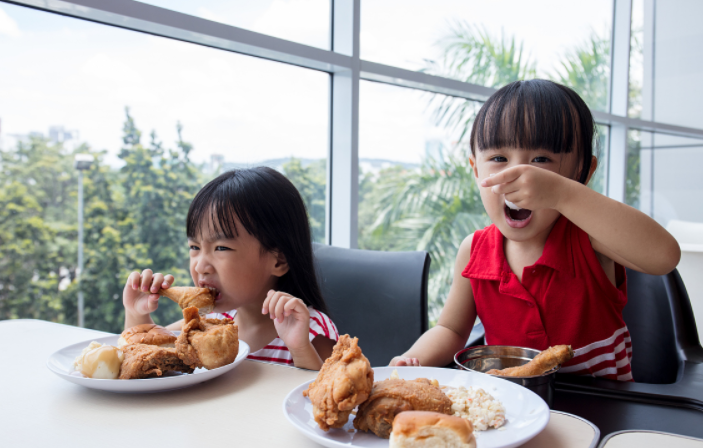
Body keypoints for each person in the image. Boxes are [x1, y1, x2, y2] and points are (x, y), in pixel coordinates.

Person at [390, 80, 680, 381]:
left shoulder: (589, 237)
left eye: (541, 161)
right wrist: (412, 359)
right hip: (509, 410)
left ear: (582, 172)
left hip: (602, 409)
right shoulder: (473, 250)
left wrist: (565, 195)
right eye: (499, 159)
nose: (520, 177)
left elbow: (663, 257)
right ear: (476, 170)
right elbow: (450, 329)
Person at [122, 167, 338, 370]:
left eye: (221, 247)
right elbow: (143, 357)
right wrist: (136, 314)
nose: (200, 266)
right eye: (194, 247)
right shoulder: (210, 324)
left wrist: (300, 348)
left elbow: (327, 398)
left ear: (278, 261)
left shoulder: (308, 328)